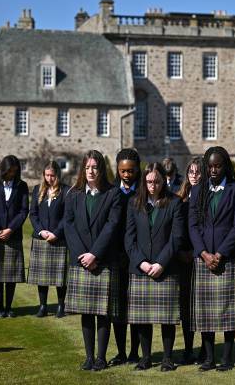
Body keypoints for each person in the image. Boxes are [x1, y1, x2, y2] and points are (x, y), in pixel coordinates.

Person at [64, 150, 122, 371]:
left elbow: (112, 226)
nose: (91, 171)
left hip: (103, 260)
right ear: (83, 169)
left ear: (101, 169)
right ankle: (89, 357)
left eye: (95, 167)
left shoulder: (113, 194)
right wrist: (83, 255)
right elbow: (68, 226)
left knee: (102, 312)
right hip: (81, 261)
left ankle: (101, 357)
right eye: (87, 167)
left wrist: (94, 254)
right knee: (86, 312)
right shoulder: (74, 194)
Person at [189, 146, 235, 371]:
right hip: (203, 258)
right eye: (210, 166)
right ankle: (209, 358)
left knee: (228, 309)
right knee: (205, 311)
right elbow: (192, 225)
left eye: (217, 165)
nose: (213, 170)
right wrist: (204, 254)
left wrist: (219, 254)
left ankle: (227, 358)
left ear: (225, 166)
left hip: (228, 257)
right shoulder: (197, 190)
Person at [125, 162, 185, 371]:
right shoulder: (134, 203)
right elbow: (129, 239)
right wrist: (141, 262)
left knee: (167, 317)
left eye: (157, 181)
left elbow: (176, 238)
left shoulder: (174, 203)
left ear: (163, 181)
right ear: (144, 181)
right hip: (140, 268)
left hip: (166, 268)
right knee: (143, 318)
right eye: (149, 181)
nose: (153, 185)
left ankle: (168, 358)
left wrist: (160, 263)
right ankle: (146, 357)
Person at [108, 148, 142, 366]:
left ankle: (135, 352)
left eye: (130, 171)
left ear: (137, 169)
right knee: (118, 309)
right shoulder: (112, 193)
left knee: (137, 308)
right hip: (117, 258)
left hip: (140, 258)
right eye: (122, 171)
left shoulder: (144, 193)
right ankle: (121, 352)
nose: (127, 175)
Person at [0, 155, 29, 318]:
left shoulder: (21, 186)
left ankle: (9, 307)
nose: (12, 173)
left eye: (15, 171)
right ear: (4, 169)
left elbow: (24, 210)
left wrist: (10, 229)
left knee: (11, 275)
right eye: (10, 171)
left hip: (13, 235)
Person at [27, 161, 70, 318]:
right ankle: (43, 306)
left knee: (60, 278)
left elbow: (67, 216)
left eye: (52, 175)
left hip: (59, 239)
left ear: (57, 175)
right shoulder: (38, 190)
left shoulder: (66, 191)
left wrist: (56, 233)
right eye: (47, 175)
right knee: (41, 277)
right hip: (41, 238)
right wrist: (41, 231)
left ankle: (60, 306)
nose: (49, 178)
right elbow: (33, 213)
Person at [176, 157, 204, 364]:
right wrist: (181, 252)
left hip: (201, 255)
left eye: (198, 172)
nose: (194, 175)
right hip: (184, 258)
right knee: (186, 306)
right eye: (191, 172)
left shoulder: (207, 195)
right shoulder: (180, 198)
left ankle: (205, 349)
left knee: (202, 305)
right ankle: (187, 348)